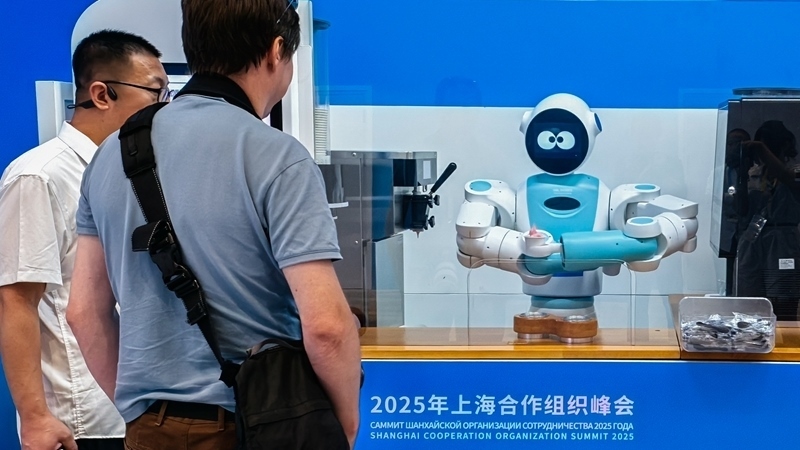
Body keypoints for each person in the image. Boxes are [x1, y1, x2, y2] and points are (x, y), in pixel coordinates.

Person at [66, 1, 361, 449]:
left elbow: (84, 312)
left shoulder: (110, 155)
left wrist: (138, 412)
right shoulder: (277, 155)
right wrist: (343, 426)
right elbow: (326, 327)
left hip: (148, 432)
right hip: (257, 428)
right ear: (276, 52)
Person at [0, 30, 168, 450]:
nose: (164, 108)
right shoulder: (39, 176)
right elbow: (16, 300)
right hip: (83, 421)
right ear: (101, 94)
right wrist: (35, 418)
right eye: (155, 93)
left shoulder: (133, 172)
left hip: (142, 409)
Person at [736, 120, 800, 319]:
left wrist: (762, 150)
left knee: (783, 295)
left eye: (770, 144)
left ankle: (785, 334)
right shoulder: (754, 173)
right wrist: (741, 175)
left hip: (783, 237)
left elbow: (788, 178)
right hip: (753, 236)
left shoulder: (795, 169)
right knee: (749, 294)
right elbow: (741, 209)